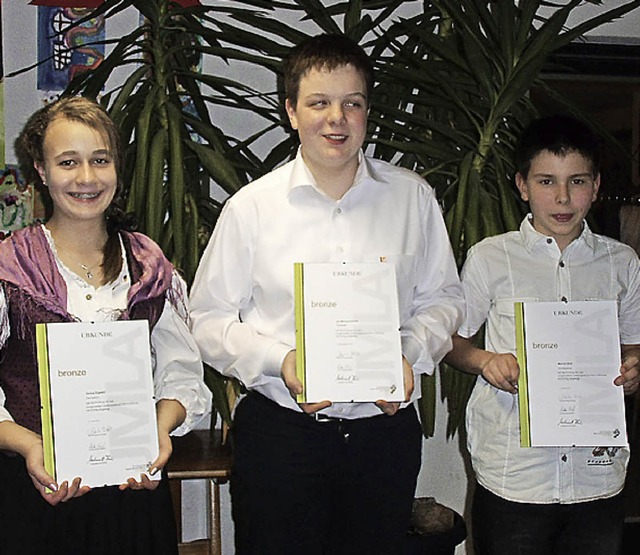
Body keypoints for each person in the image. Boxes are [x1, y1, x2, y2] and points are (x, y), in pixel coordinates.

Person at [189, 33, 464, 555]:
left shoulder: (413, 199)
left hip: (382, 436)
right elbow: (206, 318)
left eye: (352, 103)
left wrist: (407, 353)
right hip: (281, 437)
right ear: (291, 110)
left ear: (366, 111)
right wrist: (282, 360)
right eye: (319, 103)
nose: (336, 118)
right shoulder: (251, 209)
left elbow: (445, 298)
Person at [0, 96, 212, 555]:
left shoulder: (149, 267)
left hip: (131, 497)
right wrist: (31, 447)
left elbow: (181, 372)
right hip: (32, 492)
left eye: (100, 160)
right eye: (68, 162)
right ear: (40, 168)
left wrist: (160, 428)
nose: (87, 178)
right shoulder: (10, 268)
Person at [444, 114, 640, 555]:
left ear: (596, 185)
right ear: (522, 185)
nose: (563, 197)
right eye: (547, 181)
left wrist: (633, 369)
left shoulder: (621, 262)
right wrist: (484, 361)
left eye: (578, 181)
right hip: (515, 475)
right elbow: (450, 340)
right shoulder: (491, 257)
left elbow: (633, 345)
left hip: (597, 478)